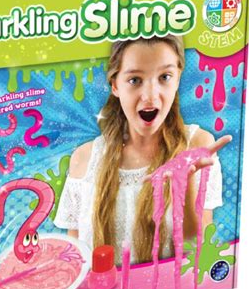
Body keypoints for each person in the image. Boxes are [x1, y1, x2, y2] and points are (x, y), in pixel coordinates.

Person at [54, 35, 231, 264]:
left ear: (178, 78)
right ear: (115, 85)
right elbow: (74, 259)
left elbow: (197, 257)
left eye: (165, 77)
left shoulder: (197, 145)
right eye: (135, 80)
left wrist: (184, 184)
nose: (150, 96)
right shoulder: (85, 158)